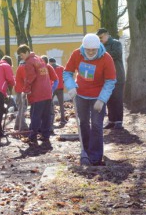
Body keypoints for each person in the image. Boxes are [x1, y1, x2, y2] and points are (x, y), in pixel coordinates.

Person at [63, 33, 116, 166]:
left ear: (99, 47)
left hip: (98, 96)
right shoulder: (77, 54)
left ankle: (96, 156)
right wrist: (70, 86)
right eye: (88, 50)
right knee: (84, 123)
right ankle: (85, 151)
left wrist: (102, 100)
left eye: (94, 50)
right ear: (83, 48)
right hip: (80, 94)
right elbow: (67, 72)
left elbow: (110, 81)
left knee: (97, 125)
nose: (91, 52)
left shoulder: (106, 58)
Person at [17, 44, 53, 147]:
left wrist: (26, 90)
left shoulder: (29, 62)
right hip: (47, 91)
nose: (21, 57)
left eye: (22, 55)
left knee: (35, 115)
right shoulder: (39, 59)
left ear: (27, 52)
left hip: (38, 93)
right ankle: (46, 135)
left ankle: (32, 136)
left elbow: (30, 77)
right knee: (46, 115)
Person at [97, 28, 125, 129]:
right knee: (109, 99)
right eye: (98, 38)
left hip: (118, 76)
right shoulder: (101, 46)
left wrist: (102, 54)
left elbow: (116, 54)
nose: (100, 40)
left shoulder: (116, 43)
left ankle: (118, 121)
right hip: (107, 78)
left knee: (117, 99)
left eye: (101, 37)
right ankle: (111, 120)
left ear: (106, 35)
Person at [40, 55, 58, 133]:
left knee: (50, 111)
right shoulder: (37, 67)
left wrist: (52, 89)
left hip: (48, 93)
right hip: (39, 94)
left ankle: (49, 127)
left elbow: (56, 80)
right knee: (41, 111)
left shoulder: (49, 67)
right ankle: (41, 127)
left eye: (42, 61)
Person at [49, 57, 67, 125]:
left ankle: (51, 120)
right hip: (60, 88)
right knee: (61, 104)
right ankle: (63, 119)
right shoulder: (61, 68)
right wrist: (62, 82)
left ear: (50, 62)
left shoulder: (49, 68)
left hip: (52, 88)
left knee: (50, 104)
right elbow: (65, 76)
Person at [13, 59, 28, 131]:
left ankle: (17, 125)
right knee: (22, 108)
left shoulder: (20, 67)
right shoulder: (23, 67)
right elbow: (26, 80)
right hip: (21, 91)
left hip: (19, 90)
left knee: (21, 108)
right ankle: (23, 126)